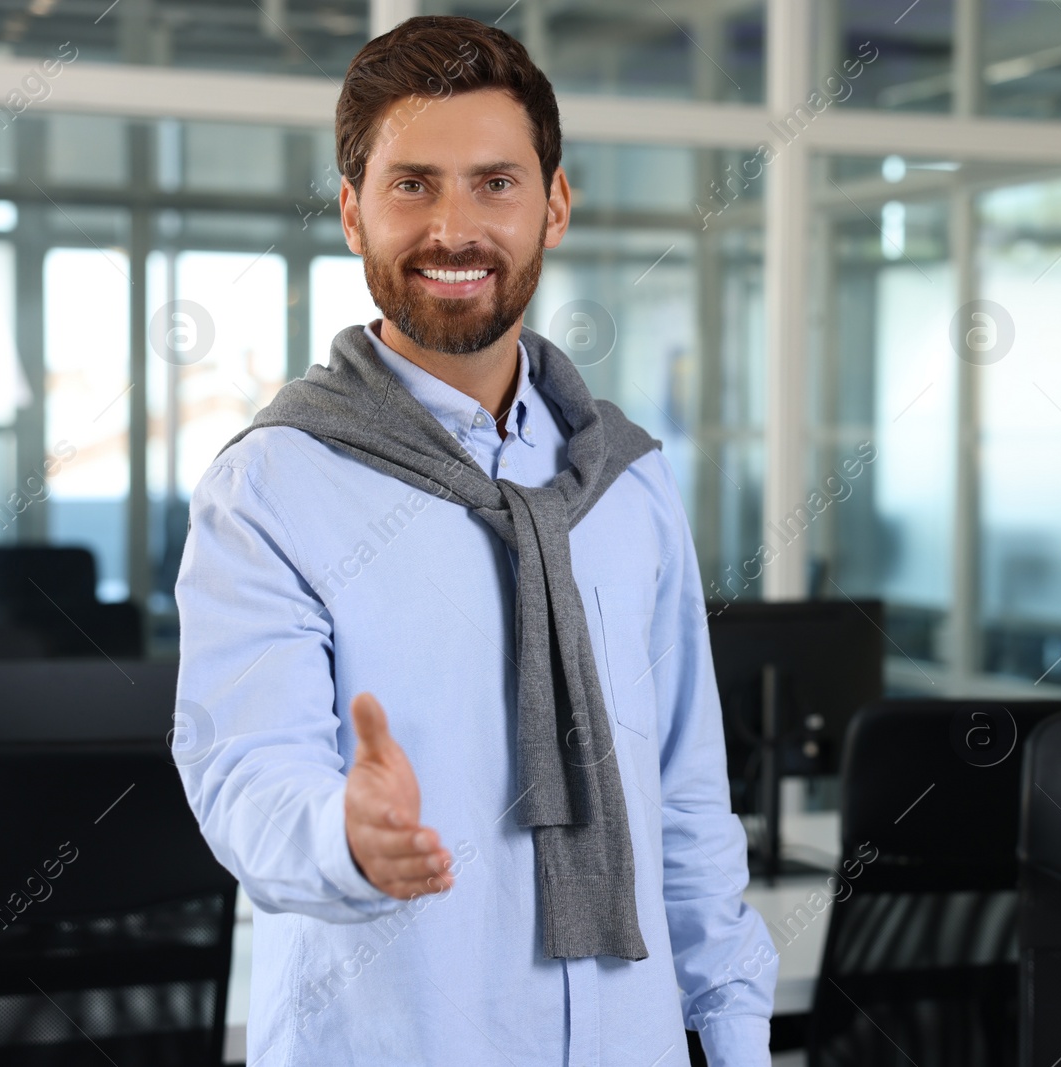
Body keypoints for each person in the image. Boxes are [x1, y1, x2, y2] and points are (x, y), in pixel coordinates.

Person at [172, 16, 776, 1065]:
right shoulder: (272, 484)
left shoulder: (625, 480)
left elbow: (684, 794)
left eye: (495, 183)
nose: (454, 227)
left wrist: (730, 1031)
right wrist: (345, 835)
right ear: (354, 212)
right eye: (413, 185)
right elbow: (246, 770)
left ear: (555, 206)